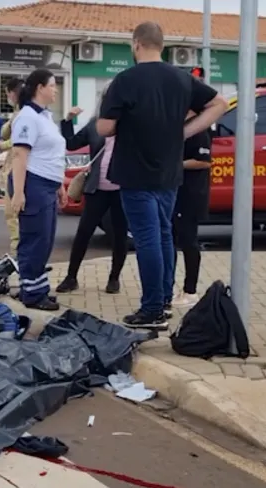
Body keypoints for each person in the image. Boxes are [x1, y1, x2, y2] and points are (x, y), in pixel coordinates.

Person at [97, 21, 228, 329]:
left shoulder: (126, 80)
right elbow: (219, 103)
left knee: (147, 240)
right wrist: (184, 132)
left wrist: (120, 123)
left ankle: (152, 309)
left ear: (136, 44)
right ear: (162, 45)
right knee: (164, 235)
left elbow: (103, 127)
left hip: (135, 171)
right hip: (169, 172)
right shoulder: (181, 79)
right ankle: (164, 301)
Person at [55, 85, 129, 295]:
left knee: (120, 235)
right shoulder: (95, 124)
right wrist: (67, 121)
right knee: (83, 233)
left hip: (121, 188)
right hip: (96, 187)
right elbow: (71, 143)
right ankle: (71, 277)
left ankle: (114, 279)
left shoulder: (130, 125)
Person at [8, 69, 68, 311]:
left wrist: (60, 185)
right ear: (39, 88)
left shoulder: (45, 117)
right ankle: (31, 294)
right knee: (34, 240)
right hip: (33, 184)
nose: (55, 90)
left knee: (45, 240)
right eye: (53, 85)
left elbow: (52, 154)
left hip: (47, 184)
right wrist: (19, 193)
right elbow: (20, 155)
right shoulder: (27, 117)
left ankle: (38, 288)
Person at [171, 110, 213, 307]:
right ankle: (168, 287)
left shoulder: (199, 131)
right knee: (170, 240)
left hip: (191, 193)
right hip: (175, 191)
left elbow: (203, 161)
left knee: (188, 241)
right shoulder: (179, 127)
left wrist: (174, 165)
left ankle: (190, 290)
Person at [0, 78, 24, 255]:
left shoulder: (24, 114)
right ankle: (17, 250)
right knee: (11, 213)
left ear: (13, 93)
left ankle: (17, 253)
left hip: (18, 166)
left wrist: (3, 145)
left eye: (7, 94)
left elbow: (22, 139)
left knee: (13, 212)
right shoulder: (18, 112)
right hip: (12, 164)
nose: (7, 97)